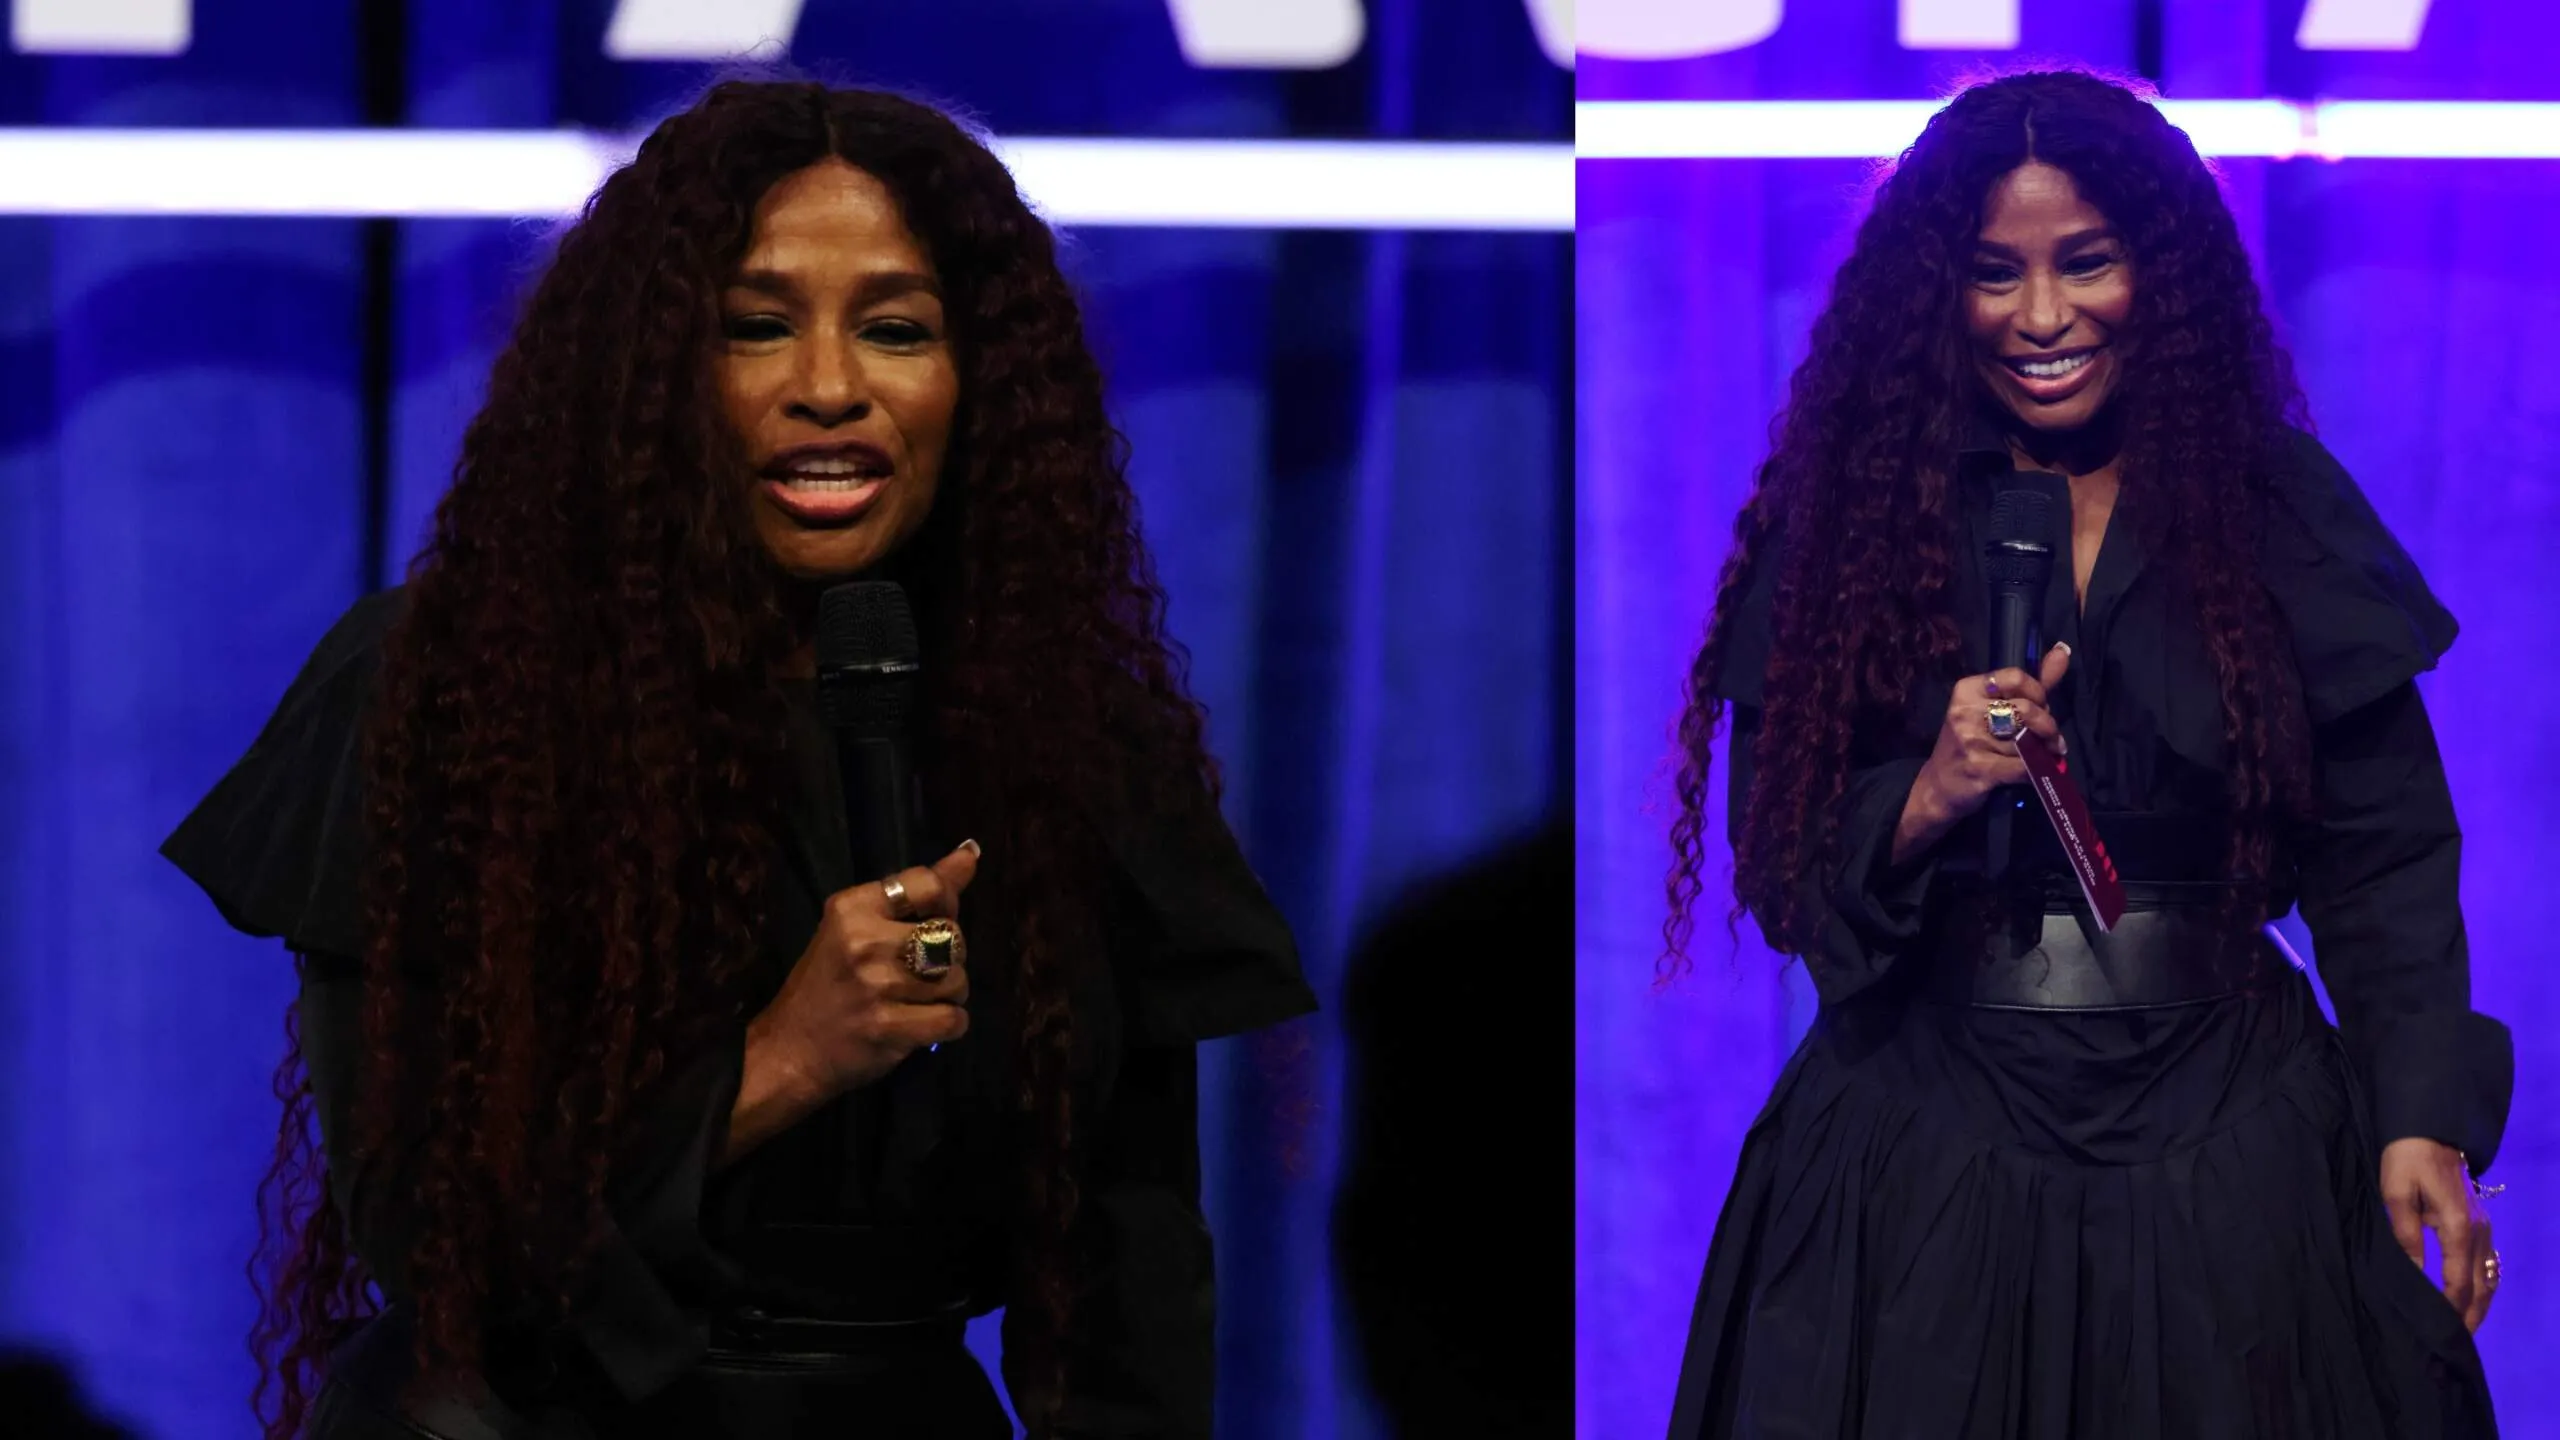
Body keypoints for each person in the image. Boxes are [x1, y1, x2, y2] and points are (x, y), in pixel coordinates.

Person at [162, 79, 1313, 1440]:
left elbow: (1132, 1286)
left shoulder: (1072, 736)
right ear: (654, 376)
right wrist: (780, 1060)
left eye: (895, 331)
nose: (830, 389)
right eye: (756, 328)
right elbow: (437, 1239)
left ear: (979, 383)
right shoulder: (448, 689)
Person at [1660, 70, 2512, 1438]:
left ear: (2157, 273)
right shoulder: (1863, 520)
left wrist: (2421, 1116)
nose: (2041, 317)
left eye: (2086, 264)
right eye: (1995, 274)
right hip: (1922, 1148)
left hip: (2234, 1152)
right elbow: (1780, 859)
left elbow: (2388, 854)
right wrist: (1925, 794)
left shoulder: (2272, 507)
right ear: (1937, 289)